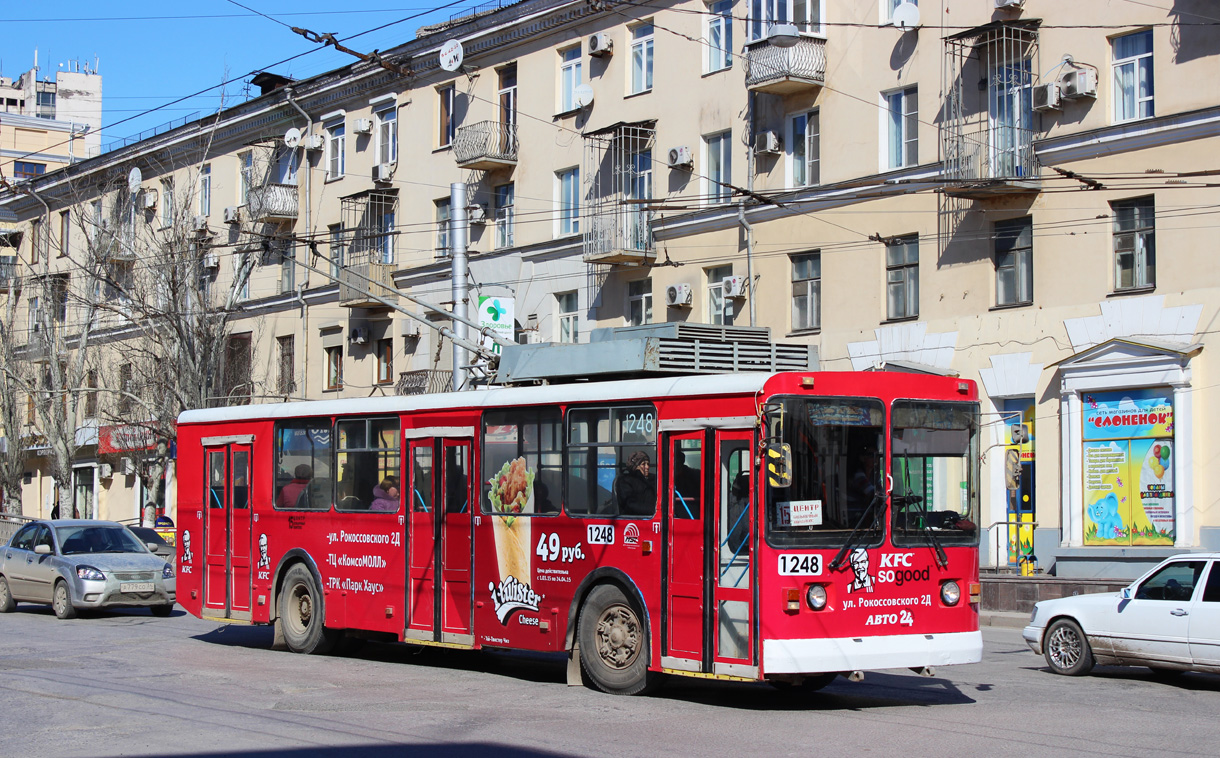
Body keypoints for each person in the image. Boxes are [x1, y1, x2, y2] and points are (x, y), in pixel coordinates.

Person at [613, 451, 655, 516]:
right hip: (635, 517)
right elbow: (630, 504)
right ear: (635, 466)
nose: (647, 467)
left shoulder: (653, 479)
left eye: (648, 464)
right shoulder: (625, 481)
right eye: (643, 464)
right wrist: (653, 510)